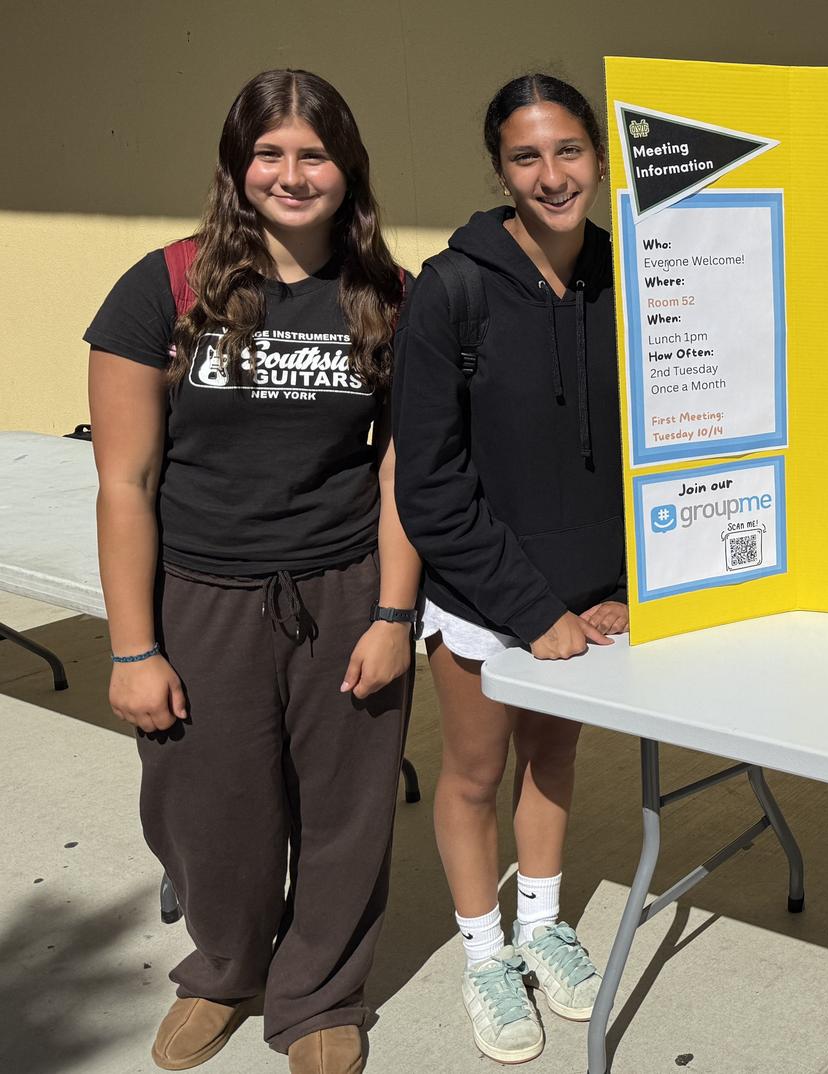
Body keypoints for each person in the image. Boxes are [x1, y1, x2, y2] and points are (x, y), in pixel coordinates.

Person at [86, 69, 416, 1074]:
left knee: (344, 810)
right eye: (268, 152)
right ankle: (227, 969)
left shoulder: (385, 298)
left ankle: (318, 991)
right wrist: (135, 646)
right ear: (237, 167)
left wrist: (394, 614)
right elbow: (126, 480)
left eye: (313, 152)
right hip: (203, 592)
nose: (291, 172)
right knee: (207, 806)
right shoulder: (168, 285)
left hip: (343, 584)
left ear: (346, 166)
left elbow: (403, 466)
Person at [391, 72, 627, 1065]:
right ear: (500, 169)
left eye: (568, 150)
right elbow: (430, 486)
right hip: (487, 595)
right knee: (477, 770)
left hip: (590, 601)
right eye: (527, 156)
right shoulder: (451, 289)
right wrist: (531, 609)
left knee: (556, 758)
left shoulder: (632, 275)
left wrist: (627, 584)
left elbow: (656, 445)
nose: (551, 174)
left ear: (598, 159)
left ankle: (542, 925)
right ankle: (485, 951)